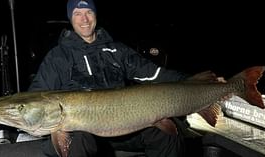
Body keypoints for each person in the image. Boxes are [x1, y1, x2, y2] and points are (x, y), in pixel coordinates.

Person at [28, 0, 220, 156]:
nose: (84, 19)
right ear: (70, 18)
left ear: (95, 15)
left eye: (88, 12)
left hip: (124, 129)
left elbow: (154, 74)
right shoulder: (58, 56)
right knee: (78, 141)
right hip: (85, 133)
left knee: (167, 134)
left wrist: (195, 81)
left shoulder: (117, 50)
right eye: (77, 14)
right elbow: (37, 96)